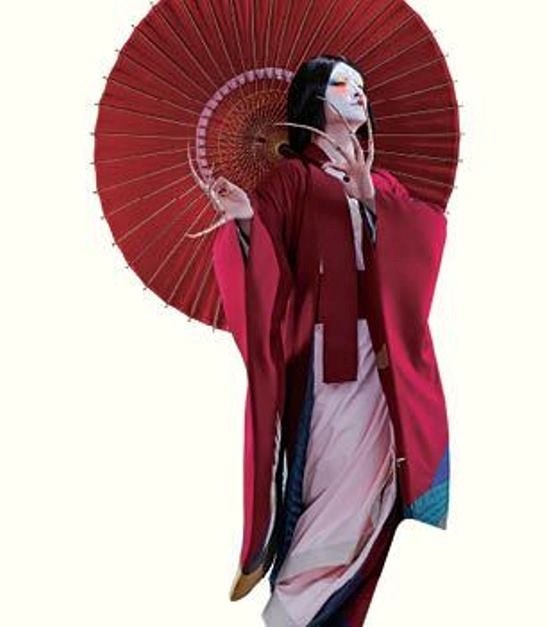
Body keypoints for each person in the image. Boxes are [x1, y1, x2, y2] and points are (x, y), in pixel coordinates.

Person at [192, 54, 450, 626]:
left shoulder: (383, 182)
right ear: (314, 99)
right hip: (323, 362)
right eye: (340, 83)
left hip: (380, 365)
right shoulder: (291, 180)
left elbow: (426, 238)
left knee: (376, 492)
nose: (358, 92)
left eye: (360, 84)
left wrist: (373, 199)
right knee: (327, 489)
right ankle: (289, 611)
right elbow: (266, 277)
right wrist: (246, 222)